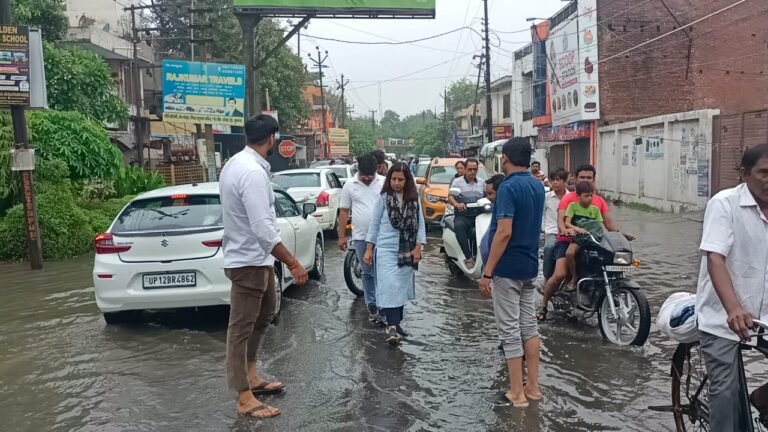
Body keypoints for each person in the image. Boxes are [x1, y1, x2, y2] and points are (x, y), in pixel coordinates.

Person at [219, 114, 309, 419]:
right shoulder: (251, 173)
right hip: (248, 260)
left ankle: (252, 375)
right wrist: (294, 263)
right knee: (240, 327)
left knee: (267, 311)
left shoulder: (237, 164)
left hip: (257, 260)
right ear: (272, 138)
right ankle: (243, 396)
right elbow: (262, 229)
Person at [696, 144, 768, 432]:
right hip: (723, 316)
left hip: (763, 317)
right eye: (764, 173)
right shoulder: (724, 203)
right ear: (744, 173)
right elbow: (715, 257)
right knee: (724, 392)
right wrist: (733, 308)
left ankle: (760, 399)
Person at [479, 137, 545, 408]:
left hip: (508, 268)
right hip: (530, 266)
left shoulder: (507, 188)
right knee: (529, 327)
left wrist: (487, 271)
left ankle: (516, 392)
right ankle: (533, 388)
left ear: (505, 157)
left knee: (509, 331)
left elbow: (504, 232)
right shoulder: (537, 186)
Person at [538, 164, 629, 321]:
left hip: (591, 242)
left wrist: (622, 234)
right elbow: (561, 221)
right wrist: (566, 230)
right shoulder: (568, 199)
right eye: (582, 177)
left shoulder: (598, 201)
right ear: (575, 178)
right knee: (559, 274)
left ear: (594, 180)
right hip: (567, 240)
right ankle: (543, 305)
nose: (586, 180)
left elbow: (608, 225)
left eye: (589, 178)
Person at [364, 163, 426, 345]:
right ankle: (391, 327)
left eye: (400, 179)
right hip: (385, 248)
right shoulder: (383, 198)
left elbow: (421, 224)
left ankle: (396, 325)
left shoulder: (414, 199)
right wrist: (369, 249)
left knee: (400, 287)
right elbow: (374, 225)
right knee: (389, 285)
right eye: (393, 179)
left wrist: (418, 248)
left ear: (407, 181)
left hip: (406, 247)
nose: (396, 183)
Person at [338, 154, 387, 324]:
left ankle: (385, 305)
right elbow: (344, 211)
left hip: (384, 236)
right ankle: (372, 305)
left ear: (376, 170)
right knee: (368, 272)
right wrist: (342, 236)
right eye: (364, 175)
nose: (367, 178)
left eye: (370, 175)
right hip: (360, 237)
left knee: (383, 272)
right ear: (358, 170)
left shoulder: (384, 183)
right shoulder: (350, 185)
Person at [563, 181, 605, 288]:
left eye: (591, 195)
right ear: (578, 196)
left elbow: (600, 225)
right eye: (586, 196)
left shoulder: (595, 210)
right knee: (569, 253)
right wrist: (578, 229)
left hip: (593, 238)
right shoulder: (573, 206)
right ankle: (574, 276)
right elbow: (567, 223)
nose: (590, 198)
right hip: (579, 238)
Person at [447, 158, 486, 268]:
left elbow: (489, 196)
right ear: (465, 169)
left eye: (475, 169)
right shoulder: (457, 182)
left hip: (479, 215)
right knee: (459, 226)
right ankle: (468, 257)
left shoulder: (482, 182)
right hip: (463, 215)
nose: (472, 172)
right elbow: (450, 197)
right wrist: (456, 204)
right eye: (470, 169)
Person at [541, 169, 568, 284]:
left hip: (568, 232)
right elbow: (541, 214)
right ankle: (547, 278)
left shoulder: (571, 197)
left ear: (565, 181)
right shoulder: (546, 197)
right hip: (552, 231)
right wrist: (543, 230)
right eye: (552, 180)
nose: (555, 183)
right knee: (549, 248)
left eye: (558, 180)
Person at [479, 174, 505, 265]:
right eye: (486, 194)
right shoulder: (497, 209)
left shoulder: (503, 214)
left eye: (490, 193)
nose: (488, 197)